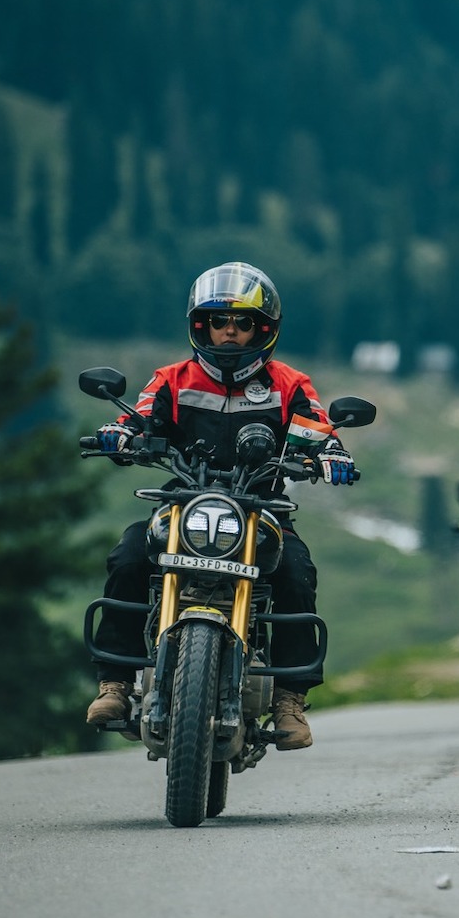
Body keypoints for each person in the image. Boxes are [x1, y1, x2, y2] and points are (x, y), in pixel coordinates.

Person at [85, 262, 357, 751]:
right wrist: (122, 433)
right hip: (185, 498)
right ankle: (117, 684)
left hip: (262, 506)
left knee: (296, 571)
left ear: (263, 328)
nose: (229, 332)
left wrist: (331, 454)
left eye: (242, 322)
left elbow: (318, 428)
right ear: (201, 325)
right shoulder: (173, 378)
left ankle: (289, 701)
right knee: (128, 553)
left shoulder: (288, 384)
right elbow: (143, 415)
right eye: (219, 321)